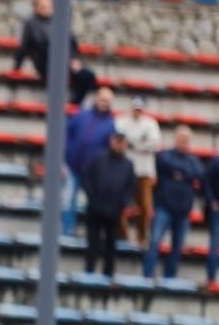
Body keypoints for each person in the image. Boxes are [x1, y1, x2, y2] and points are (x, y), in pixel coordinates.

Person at [141, 125, 206, 281]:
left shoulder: (193, 160)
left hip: (183, 211)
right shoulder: (165, 155)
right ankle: (147, 277)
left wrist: (179, 173)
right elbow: (165, 164)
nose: (183, 141)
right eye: (181, 138)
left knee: (177, 248)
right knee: (154, 243)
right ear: (175, 139)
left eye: (186, 139)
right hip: (164, 207)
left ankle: (169, 279)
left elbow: (198, 174)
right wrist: (185, 174)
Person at [64, 87, 118, 237]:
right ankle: (67, 231)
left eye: (107, 101)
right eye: (102, 99)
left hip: (93, 173)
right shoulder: (81, 116)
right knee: (68, 201)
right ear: (96, 98)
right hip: (73, 167)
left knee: (93, 204)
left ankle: (90, 235)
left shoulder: (111, 124)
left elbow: (109, 150)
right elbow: (67, 134)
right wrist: (67, 155)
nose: (104, 103)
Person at [81, 131, 136, 278]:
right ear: (111, 142)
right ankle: (89, 272)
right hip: (95, 207)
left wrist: (122, 203)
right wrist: (92, 196)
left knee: (111, 244)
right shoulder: (98, 158)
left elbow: (130, 187)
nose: (118, 145)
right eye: (116, 141)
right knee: (92, 241)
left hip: (114, 210)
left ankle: (108, 273)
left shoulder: (128, 164)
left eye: (121, 142)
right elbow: (87, 177)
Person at [116, 96, 161, 245]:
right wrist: (141, 144)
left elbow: (155, 144)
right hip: (124, 169)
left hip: (144, 171)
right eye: (135, 108)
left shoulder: (150, 123)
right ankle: (122, 236)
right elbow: (118, 140)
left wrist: (134, 145)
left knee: (145, 206)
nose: (137, 111)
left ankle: (141, 237)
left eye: (140, 109)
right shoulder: (121, 121)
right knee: (120, 204)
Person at [13, 0, 79, 77]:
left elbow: (72, 44)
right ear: (36, 7)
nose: (46, 9)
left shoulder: (60, 22)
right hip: (45, 63)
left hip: (66, 62)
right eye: (43, 6)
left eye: (49, 6)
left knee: (86, 75)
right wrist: (16, 68)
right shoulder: (31, 24)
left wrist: (75, 59)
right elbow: (24, 47)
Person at [204, 154, 219, 286]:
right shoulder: (216, 162)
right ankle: (211, 279)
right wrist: (212, 201)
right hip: (217, 210)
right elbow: (206, 181)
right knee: (214, 245)